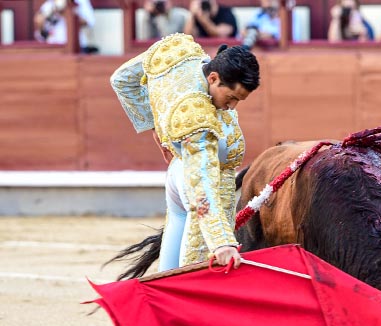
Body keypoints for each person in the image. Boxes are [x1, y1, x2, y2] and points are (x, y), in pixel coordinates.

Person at [110, 34, 260, 271]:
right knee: (192, 280)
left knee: (168, 272)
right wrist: (221, 242)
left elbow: (122, 79)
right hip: (199, 185)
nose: (232, 106)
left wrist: (154, 126)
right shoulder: (196, 116)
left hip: (177, 175)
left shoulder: (180, 53)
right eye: (231, 97)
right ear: (213, 78)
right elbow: (202, 182)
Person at [33, 0, 98, 53]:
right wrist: (40, 22)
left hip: (76, 46)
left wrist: (67, 14)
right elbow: (39, 23)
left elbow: (90, 21)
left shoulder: (81, 1)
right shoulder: (49, 3)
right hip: (54, 46)